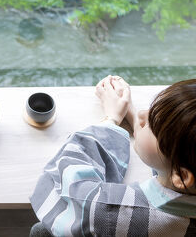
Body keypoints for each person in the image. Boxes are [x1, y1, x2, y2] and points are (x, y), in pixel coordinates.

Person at [29, 75, 196, 236]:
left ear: (181, 175)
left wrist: (111, 120)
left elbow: (73, 188)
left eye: (153, 126)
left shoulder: (116, 214)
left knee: (40, 232)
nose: (142, 114)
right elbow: (168, 158)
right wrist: (132, 115)